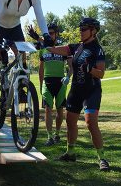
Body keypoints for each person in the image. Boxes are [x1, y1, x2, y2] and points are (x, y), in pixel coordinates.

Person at [44, 17, 110, 171]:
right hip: (76, 90)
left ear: (93, 31)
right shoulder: (76, 47)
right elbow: (53, 49)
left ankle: (102, 158)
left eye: (83, 29)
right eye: (80, 29)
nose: (80, 32)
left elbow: (101, 74)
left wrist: (90, 69)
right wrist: (42, 41)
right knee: (70, 122)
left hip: (91, 91)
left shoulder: (97, 49)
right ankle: (70, 153)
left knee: (90, 123)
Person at [28, 23, 72, 146]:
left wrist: (68, 77)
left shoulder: (63, 48)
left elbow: (71, 66)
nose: (49, 35)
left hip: (60, 82)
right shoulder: (43, 49)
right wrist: (41, 85)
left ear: (57, 34)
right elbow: (41, 70)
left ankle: (57, 134)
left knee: (59, 110)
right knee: (48, 109)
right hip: (47, 82)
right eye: (48, 33)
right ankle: (49, 137)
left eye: (52, 33)